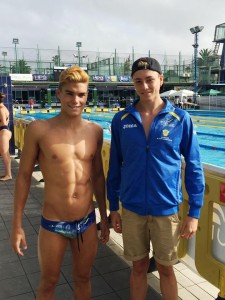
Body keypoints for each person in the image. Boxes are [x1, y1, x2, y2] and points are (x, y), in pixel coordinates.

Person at [106, 57, 205, 300]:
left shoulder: (180, 119)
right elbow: (115, 168)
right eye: (138, 81)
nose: (145, 86)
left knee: (166, 269)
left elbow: (193, 165)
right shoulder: (122, 120)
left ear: (160, 80)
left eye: (150, 80)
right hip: (132, 208)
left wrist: (194, 213)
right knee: (138, 268)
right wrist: (113, 208)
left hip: (165, 209)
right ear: (133, 84)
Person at [10, 65, 110, 300]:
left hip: (86, 222)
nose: (76, 100)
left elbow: (97, 177)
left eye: (81, 95)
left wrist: (103, 218)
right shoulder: (39, 129)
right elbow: (24, 176)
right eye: (70, 93)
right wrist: (17, 225)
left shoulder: (95, 131)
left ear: (87, 96)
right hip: (54, 223)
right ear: (59, 93)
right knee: (48, 283)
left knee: (83, 279)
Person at [0, 92, 12, 181]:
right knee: (6, 153)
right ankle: (7, 174)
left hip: (3, 132)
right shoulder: (3, 107)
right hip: (5, 131)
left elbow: (4, 123)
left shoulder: (1, 109)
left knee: (4, 153)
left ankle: (8, 175)